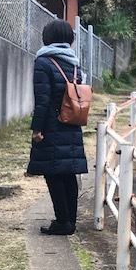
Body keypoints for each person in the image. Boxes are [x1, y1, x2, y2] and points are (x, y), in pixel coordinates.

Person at [27, 19, 88, 235]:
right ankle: (69, 221)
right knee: (68, 173)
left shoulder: (43, 62)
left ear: (47, 37)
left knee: (53, 174)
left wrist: (37, 129)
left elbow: (42, 100)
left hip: (52, 124)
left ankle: (62, 222)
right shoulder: (73, 63)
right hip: (71, 121)